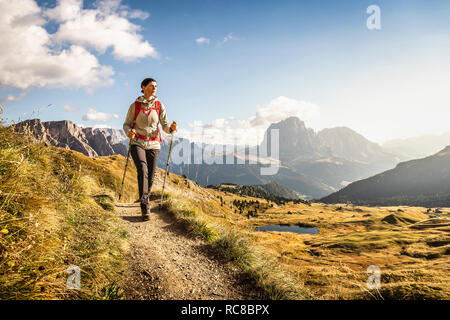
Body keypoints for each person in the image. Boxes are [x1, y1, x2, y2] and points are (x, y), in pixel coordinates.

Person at [123, 78, 177, 221]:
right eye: (151, 86)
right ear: (143, 87)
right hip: (137, 142)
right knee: (142, 169)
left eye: (156, 86)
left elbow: (165, 125)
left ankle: (144, 197)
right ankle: (144, 206)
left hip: (154, 144)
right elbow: (126, 124)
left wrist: (170, 129)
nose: (154, 88)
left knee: (151, 175)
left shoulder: (159, 105)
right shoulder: (135, 106)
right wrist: (129, 132)